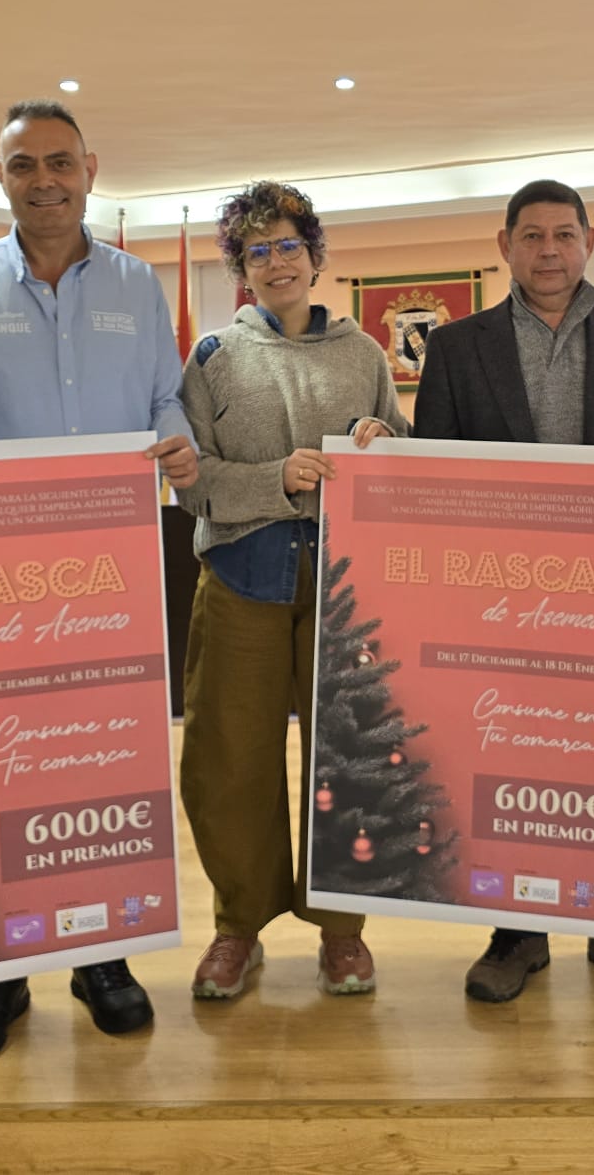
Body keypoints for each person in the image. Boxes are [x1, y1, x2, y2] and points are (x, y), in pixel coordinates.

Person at [0, 98, 199, 1062]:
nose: (45, 179)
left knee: (104, 760)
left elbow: (165, 395)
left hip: (111, 560)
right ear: (1, 177)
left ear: (91, 170)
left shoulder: (136, 282)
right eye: (24, 164)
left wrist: (184, 449)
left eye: (61, 162)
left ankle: (102, 957)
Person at [413, 178, 594, 1002]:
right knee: (505, 751)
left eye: (563, 234)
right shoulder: (457, 348)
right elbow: (432, 479)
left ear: (589, 242)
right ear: (504, 246)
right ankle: (517, 931)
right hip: (498, 596)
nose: (549, 250)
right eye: (532, 235)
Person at [177, 180, 406, 1000]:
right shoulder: (212, 357)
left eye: (289, 246)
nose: (276, 262)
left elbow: (402, 454)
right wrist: (278, 479)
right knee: (227, 758)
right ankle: (238, 926)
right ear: (241, 267)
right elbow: (192, 482)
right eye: (257, 250)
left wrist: (388, 437)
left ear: (315, 256)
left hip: (347, 588)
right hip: (240, 579)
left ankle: (342, 929)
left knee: (346, 755)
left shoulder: (365, 353)